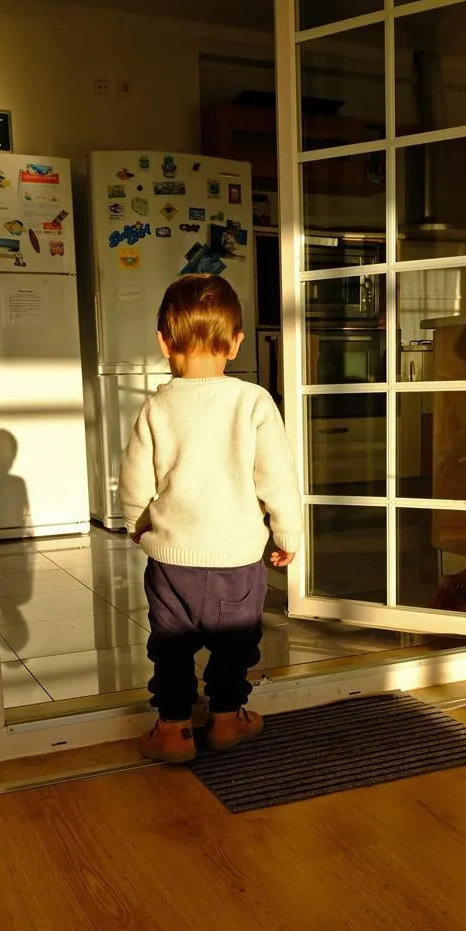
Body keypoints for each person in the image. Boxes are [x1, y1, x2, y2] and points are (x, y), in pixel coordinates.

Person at [119, 273, 302, 764]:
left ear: (163, 343)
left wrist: (138, 523)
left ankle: (174, 729)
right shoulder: (253, 401)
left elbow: (135, 480)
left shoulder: (156, 407)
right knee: (235, 644)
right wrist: (286, 532)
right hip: (236, 561)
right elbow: (277, 477)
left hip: (172, 561)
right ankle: (225, 720)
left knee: (171, 647)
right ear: (237, 343)